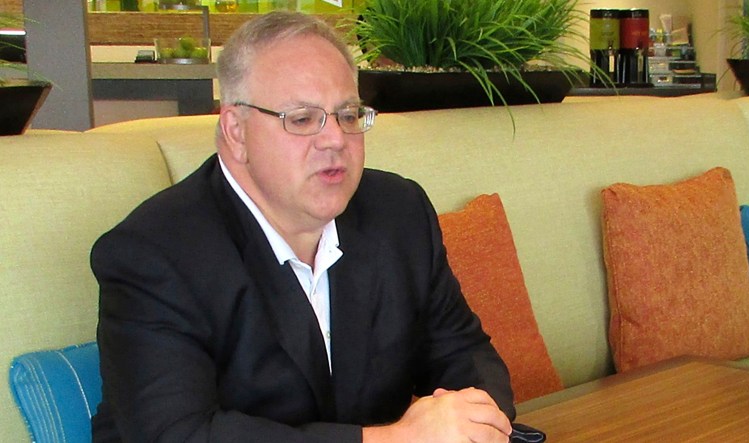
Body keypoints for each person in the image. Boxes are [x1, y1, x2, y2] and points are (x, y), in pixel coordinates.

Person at [91, 10, 542, 443]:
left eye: (348, 116)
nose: (335, 140)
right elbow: (177, 435)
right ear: (236, 131)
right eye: (303, 119)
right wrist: (392, 439)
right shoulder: (153, 253)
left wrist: (474, 422)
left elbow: (464, 353)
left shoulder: (398, 213)